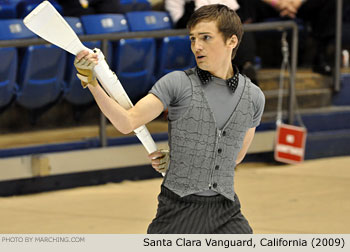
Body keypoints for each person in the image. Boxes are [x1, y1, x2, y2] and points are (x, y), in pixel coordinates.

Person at [74, 4, 265, 233]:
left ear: (231, 41)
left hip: (227, 212)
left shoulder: (254, 96)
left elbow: (235, 156)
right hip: (178, 210)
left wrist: (187, 157)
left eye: (206, 37)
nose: (197, 46)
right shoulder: (177, 83)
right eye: (193, 38)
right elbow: (127, 122)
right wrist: (92, 83)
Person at [165, 0, 258, 84]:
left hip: (221, 31)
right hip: (198, 35)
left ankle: (245, 69)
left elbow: (238, 14)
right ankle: (245, 70)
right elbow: (180, 24)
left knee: (238, 33)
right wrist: (193, 5)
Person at [237, 0, 336, 75]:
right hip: (268, 4)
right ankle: (246, 63)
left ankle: (321, 57)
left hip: (296, 4)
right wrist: (277, 3)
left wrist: (297, 2)